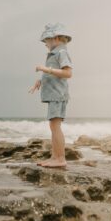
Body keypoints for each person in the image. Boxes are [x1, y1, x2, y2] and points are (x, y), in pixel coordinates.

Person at [28, 23, 73, 168]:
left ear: (57, 38)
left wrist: (46, 69)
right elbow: (53, 74)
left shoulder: (62, 53)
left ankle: (60, 159)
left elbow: (67, 73)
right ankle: (55, 157)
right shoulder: (54, 54)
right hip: (54, 94)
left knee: (55, 127)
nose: (45, 44)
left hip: (58, 95)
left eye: (47, 40)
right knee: (53, 127)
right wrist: (40, 81)